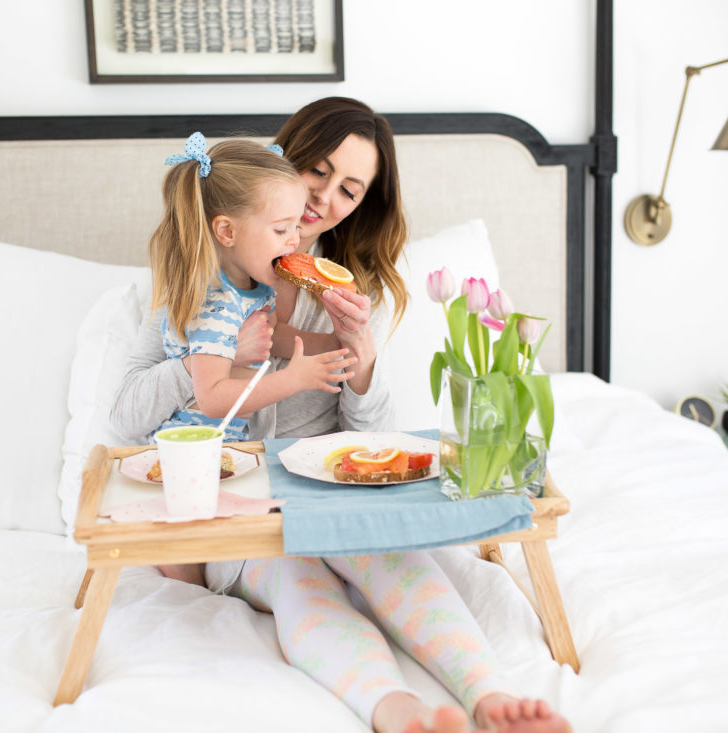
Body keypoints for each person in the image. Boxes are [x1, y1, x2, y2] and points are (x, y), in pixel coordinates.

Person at [112, 98, 570, 733]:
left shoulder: (354, 285)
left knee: (397, 559)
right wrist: (204, 360)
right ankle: (397, 710)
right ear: (285, 156)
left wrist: (361, 361)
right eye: (316, 171)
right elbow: (124, 412)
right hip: (233, 491)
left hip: (324, 483)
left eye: (348, 189)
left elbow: (364, 441)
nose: (321, 199)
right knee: (298, 581)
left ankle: (490, 696)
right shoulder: (192, 272)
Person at [146, 132, 356, 443]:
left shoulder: (252, 290)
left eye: (296, 226)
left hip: (224, 445)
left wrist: (334, 342)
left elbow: (272, 337)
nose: (294, 240)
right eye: (281, 229)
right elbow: (213, 398)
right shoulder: (216, 306)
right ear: (227, 231)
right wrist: (292, 380)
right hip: (190, 448)